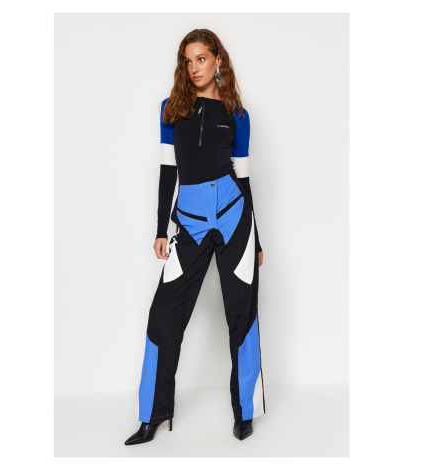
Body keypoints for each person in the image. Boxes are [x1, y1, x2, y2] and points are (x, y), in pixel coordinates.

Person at [125, 29, 266, 445]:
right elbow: (168, 171)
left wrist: (256, 240)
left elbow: (243, 177)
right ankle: (153, 415)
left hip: (235, 218)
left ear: (218, 59)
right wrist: (161, 230)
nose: (194, 68)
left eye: (201, 58)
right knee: (163, 316)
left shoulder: (237, 114)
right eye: (188, 61)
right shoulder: (171, 109)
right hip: (189, 223)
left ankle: (244, 411)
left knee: (242, 314)